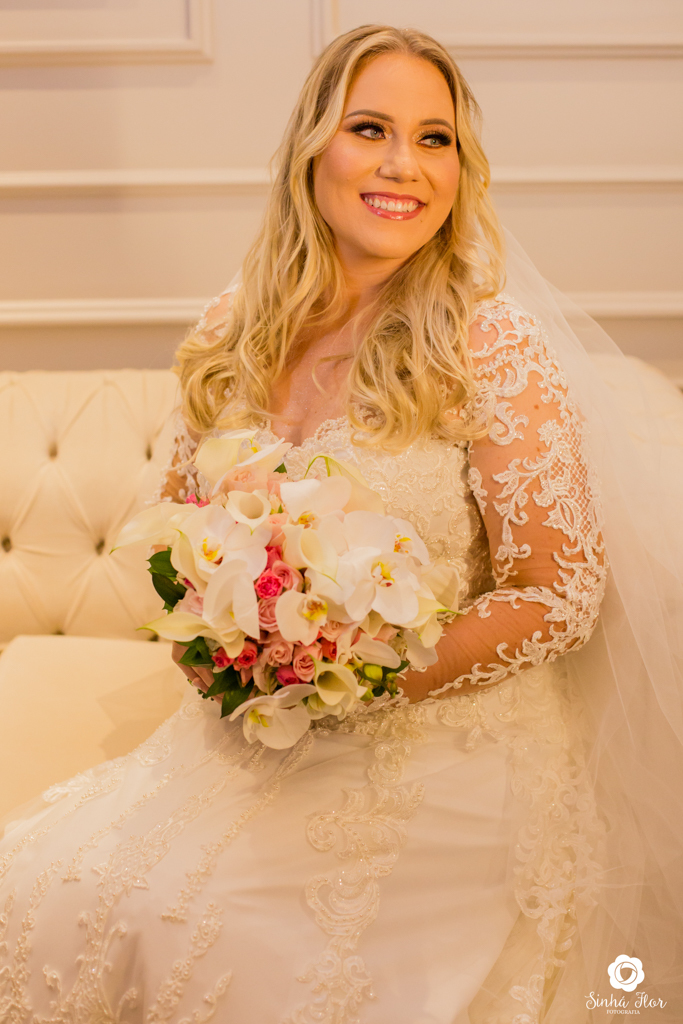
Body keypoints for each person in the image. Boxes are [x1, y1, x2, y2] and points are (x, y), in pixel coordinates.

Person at [0, 25, 681, 1024]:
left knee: (219, 934)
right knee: (45, 890)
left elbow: (558, 593)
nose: (404, 164)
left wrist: (364, 675)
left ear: (460, 169)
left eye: (435, 139)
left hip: (442, 753)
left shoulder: (489, 343)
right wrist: (221, 650)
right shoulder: (231, 329)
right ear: (312, 148)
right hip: (253, 732)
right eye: (370, 129)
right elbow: (177, 541)